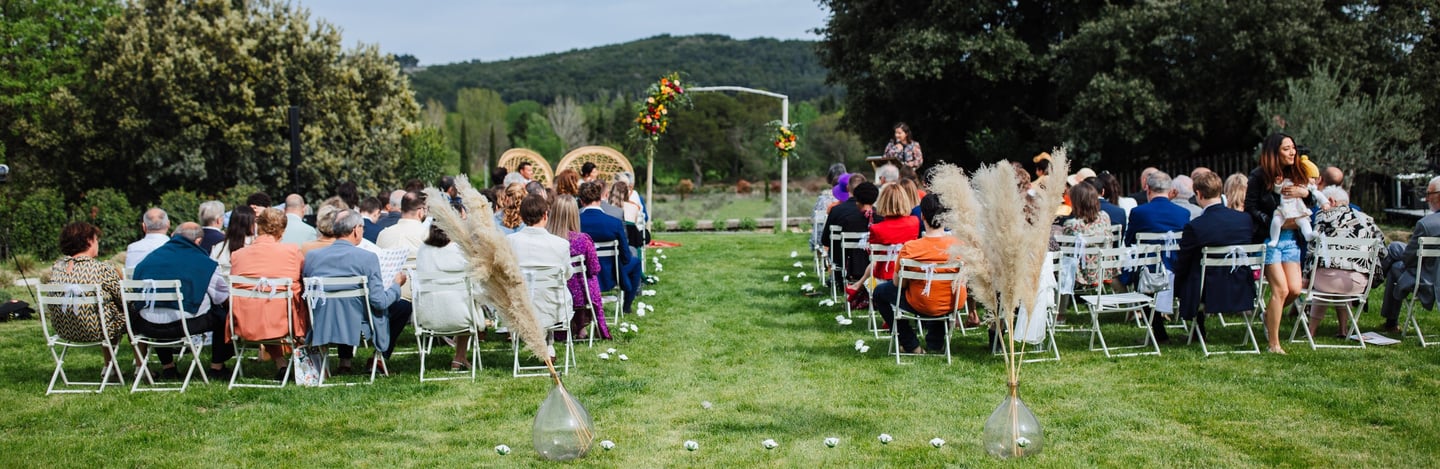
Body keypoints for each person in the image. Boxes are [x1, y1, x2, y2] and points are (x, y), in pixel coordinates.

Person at [304, 210, 408, 372]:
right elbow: (379, 302)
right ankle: (377, 358)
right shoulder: (367, 258)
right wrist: (396, 285)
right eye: (362, 228)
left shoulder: (312, 257)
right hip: (357, 326)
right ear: (355, 230)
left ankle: (345, 362)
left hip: (322, 322)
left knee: (344, 304)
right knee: (403, 307)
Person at [131, 222, 232, 380]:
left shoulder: (148, 260)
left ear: (173, 236)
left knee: (158, 307)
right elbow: (222, 297)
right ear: (198, 241)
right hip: (185, 324)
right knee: (223, 315)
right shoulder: (205, 263)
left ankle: (168, 367)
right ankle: (217, 367)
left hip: (147, 325)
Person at [871, 194, 968, 354]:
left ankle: (911, 344)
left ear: (922, 215)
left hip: (921, 303)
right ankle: (935, 344)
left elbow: (898, 284)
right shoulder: (959, 246)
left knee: (880, 292)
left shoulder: (910, 248)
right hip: (952, 302)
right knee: (940, 290)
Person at [1245, 133, 1316, 354]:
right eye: (1286, 148)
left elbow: (1311, 200)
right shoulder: (1258, 176)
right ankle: (1274, 344)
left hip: (1292, 240)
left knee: (1294, 289)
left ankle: (1269, 316)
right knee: (1280, 289)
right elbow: (1250, 208)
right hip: (1269, 239)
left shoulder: (1298, 173)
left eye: (1293, 148)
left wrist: (1304, 192)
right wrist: (1274, 222)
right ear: (1274, 152)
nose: (1292, 152)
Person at [1173, 171, 1256, 341]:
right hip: (1241, 287)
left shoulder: (1196, 226)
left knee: (1188, 273)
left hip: (1208, 292)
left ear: (1198, 194)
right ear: (1220, 191)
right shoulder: (1245, 220)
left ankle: (1198, 331)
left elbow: (1183, 263)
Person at [229, 208, 308, 379]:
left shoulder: (238, 255)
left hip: (246, 320)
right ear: (283, 230)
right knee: (300, 300)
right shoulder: (292, 252)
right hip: (282, 320)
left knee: (263, 305)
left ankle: (281, 363)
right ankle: (308, 362)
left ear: (258, 227)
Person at [1303, 186, 1385, 339]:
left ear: (1332, 201)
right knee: (1341, 276)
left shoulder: (1324, 215)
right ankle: (1343, 330)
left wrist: (1306, 275)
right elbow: (1383, 250)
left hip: (1325, 282)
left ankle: (1311, 331)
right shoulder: (1366, 219)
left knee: (1325, 283)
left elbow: (1312, 249)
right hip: (1356, 284)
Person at [1123, 170, 1190, 341]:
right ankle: (1196, 330)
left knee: (1139, 275)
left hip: (1148, 275)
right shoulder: (1183, 213)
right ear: (1170, 190)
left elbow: (1129, 241)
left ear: (1148, 189)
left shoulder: (1139, 212)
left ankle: (1159, 331)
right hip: (1178, 271)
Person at [49, 222, 127, 369]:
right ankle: (139, 367)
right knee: (131, 316)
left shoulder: (57, 268)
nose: (97, 243)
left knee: (108, 311)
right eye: (96, 240)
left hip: (64, 329)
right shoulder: (102, 269)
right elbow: (125, 300)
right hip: (96, 329)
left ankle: (110, 368)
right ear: (89, 241)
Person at [1377, 176, 1440, 335]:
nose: (1426, 198)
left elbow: (1408, 260)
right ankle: (1390, 322)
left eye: (1429, 193)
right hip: (1433, 270)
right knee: (1395, 249)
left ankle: (1373, 281)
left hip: (1430, 281)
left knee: (1395, 264)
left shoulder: (1427, 224)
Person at [414, 222, 479, 371]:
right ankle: (459, 357)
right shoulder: (461, 251)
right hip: (460, 316)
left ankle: (460, 358)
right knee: (470, 300)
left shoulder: (423, 250)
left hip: (427, 315)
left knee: (463, 298)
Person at [507, 194, 575, 330]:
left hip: (521, 309)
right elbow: (567, 275)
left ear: (522, 217)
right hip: (554, 310)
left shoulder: (509, 241)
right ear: (545, 215)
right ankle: (548, 344)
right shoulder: (560, 244)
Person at [548, 195, 609, 340]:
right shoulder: (582, 240)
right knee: (588, 279)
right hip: (580, 295)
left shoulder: (547, 240)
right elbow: (595, 268)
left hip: (554, 291)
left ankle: (566, 329)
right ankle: (581, 327)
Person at [579, 181, 643, 316]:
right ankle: (626, 306)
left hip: (583, 276)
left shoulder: (575, 221)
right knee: (635, 262)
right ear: (601, 197)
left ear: (581, 201)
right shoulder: (614, 222)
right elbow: (625, 256)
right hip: (610, 276)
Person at [848, 183, 921, 294]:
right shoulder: (915, 222)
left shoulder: (876, 229)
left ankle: (858, 285)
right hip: (908, 275)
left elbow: (872, 254)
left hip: (884, 277)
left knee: (874, 263)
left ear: (883, 201)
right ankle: (859, 285)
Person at [821, 182, 881, 286]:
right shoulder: (881, 220)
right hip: (876, 266)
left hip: (853, 268)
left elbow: (827, 241)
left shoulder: (849, 221)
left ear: (857, 201)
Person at [1061, 182, 1114, 287]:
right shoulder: (1105, 217)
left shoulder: (1072, 225)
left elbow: (1066, 255)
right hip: (1102, 270)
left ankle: (1061, 301)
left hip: (1080, 275)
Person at [1266, 154, 1321, 247]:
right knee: (1276, 221)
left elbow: (1315, 195)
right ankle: (1274, 239)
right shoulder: (1284, 181)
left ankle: (1308, 235)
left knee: (1304, 222)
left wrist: (1305, 193)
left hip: (1298, 209)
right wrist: (1278, 183)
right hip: (1284, 209)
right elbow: (1277, 190)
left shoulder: (1303, 185)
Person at [811, 163, 847, 250]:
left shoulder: (823, 199)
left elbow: (814, 219)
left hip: (825, 241)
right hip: (847, 241)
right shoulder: (852, 200)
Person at [212, 206, 256, 275]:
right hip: (249, 285)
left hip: (224, 284)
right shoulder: (256, 246)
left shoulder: (218, 248)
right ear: (251, 224)